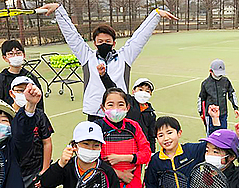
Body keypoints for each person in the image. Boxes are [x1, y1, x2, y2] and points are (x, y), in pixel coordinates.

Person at [39, 3, 176, 121]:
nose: (104, 44)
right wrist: (58, 10)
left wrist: (156, 15)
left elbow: (139, 38)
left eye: (108, 41)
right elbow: (72, 36)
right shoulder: (87, 56)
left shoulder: (124, 57)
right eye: (100, 42)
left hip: (119, 112)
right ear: (94, 43)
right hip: (94, 112)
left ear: (114, 43)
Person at [9, 76, 54, 188]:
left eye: (28, 90)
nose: (24, 94)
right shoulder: (6, 114)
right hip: (14, 172)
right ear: (12, 93)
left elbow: (47, 143)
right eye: (20, 90)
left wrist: (44, 169)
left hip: (35, 171)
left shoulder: (40, 115)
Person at [98, 64, 157, 153]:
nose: (144, 93)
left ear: (151, 94)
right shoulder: (128, 101)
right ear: (133, 91)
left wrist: (152, 152)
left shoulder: (151, 113)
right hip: (125, 141)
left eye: (147, 91)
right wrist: (103, 75)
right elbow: (113, 88)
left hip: (139, 146)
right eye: (140, 89)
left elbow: (151, 135)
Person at [0, 40, 45, 111]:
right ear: (5, 58)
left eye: (18, 53)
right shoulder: (1, 79)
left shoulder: (31, 78)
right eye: (11, 54)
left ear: (24, 55)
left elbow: (39, 104)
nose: (15, 56)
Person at [197, 59, 239, 135]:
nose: (219, 75)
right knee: (211, 135)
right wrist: (201, 113)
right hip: (210, 115)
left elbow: (232, 93)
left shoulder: (225, 81)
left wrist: (235, 108)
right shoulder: (205, 83)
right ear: (211, 71)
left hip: (223, 113)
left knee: (223, 134)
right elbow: (201, 99)